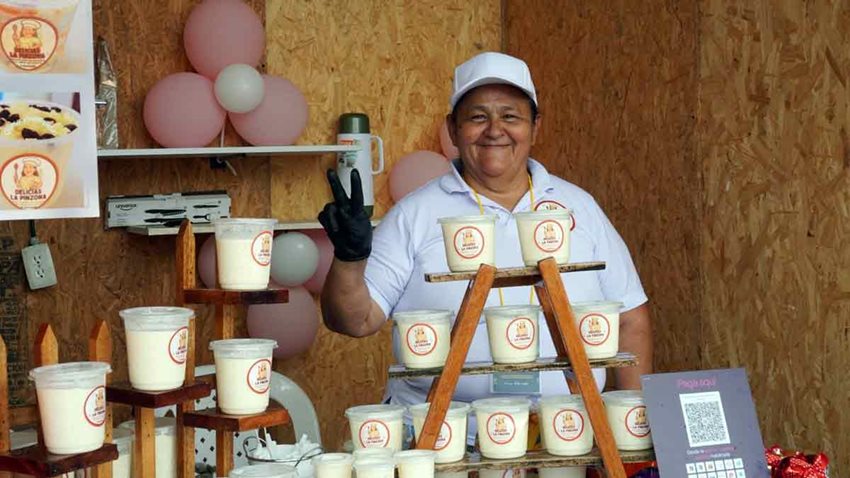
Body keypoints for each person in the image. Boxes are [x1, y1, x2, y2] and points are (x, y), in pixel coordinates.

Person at [318, 52, 652, 443]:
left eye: (510, 116)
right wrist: (348, 259)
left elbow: (631, 321)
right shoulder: (416, 213)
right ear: (453, 129)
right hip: (443, 442)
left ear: (535, 126)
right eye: (478, 117)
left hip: (564, 439)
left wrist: (633, 435)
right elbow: (354, 321)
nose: (495, 130)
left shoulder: (578, 207)